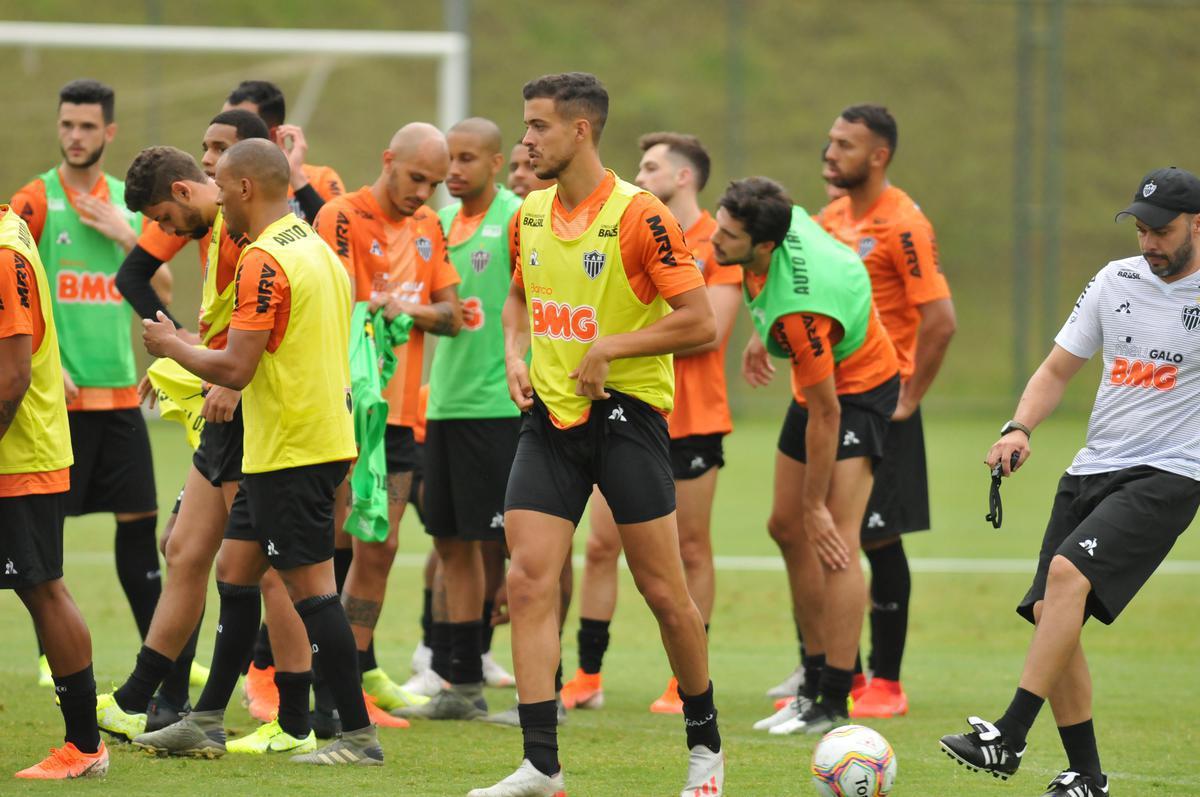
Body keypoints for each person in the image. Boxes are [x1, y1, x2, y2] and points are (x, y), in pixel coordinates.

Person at [469, 72, 723, 797]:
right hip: (548, 419)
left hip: (626, 417)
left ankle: (705, 751)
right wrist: (514, 354)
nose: (525, 141)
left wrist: (610, 346)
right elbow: (518, 296)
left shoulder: (640, 216)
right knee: (526, 579)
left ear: (580, 130)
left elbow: (699, 321)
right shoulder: (530, 214)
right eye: (525, 126)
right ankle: (540, 765)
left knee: (664, 590)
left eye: (537, 127)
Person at [940, 167, 1200, 797]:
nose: (1148, 243)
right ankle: (1086, 775)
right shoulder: (1116, 280)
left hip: (1170, 470)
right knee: (1050, 613)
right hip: (1092, 467)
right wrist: (1018, 428)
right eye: (1141, 229)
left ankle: (1009, 734)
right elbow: (1058, 369)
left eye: (1161, 231)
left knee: (1065, 578)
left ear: (1198, 224)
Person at [136, 138, 381, 765]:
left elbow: (237, 368)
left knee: (312, 588)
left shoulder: (263, 259)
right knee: (235, 571)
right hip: (309, 436)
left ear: (245, 187)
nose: (215, 191)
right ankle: (206, 720)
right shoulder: (316, 250)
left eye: (219, 178)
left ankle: (356, 736)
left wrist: (171, 345)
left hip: (292, 445)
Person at [561, 132, 742, 715]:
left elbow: (706, 330)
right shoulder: (627, 227)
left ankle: (682, 679)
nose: (638, 175)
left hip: (692, 417)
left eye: (651, 166)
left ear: (683, 177)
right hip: (625, 411)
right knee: (600, 544)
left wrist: (616, 343)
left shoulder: (717, 242)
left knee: (689, 548)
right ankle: (587, 675)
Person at [713, 178, 899, 737]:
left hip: (856, 392)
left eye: (728, 234)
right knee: (785, 526)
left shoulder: (799, 312)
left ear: (764, 246)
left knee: (834, 541)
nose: (716, 238)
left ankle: (836, 698)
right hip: (819, 379)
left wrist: (816, 502)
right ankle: (812, 678)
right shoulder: (781, 219)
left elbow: (827, 413)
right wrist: (758, 332)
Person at [10, 79, 160, 681]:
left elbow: (162, 294)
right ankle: (54, 655)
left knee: (141, 522)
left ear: (110, 133)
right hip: (60, 399)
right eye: (67, 125)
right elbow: (12, 287)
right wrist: (54, 365)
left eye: (88, 127)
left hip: (121, 394)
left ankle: (163, 653)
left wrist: (126, 236)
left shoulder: (127, 202)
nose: (75, 137)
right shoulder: (34, 202)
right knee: (50, 531)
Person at [313, 122, 462, 717]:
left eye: (434, 183)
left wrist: (407, 308)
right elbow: (329, 302)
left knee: (379, 545)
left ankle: (356, 675)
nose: (423, 192)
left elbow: (451, 315)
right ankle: (288, 674)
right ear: (388, 160)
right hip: (341, 408)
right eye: (415, 177)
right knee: (322, 543)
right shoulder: (341, 217)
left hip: (397, 418)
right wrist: (373, 305)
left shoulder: (429, 228)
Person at [811, 105, 956, 718]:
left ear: (879, 156)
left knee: (877, 535)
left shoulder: (904, 224)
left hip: (880, 401)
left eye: (845, 144)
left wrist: (911, 394)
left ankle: (887, 683)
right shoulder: (829, 218)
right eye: (830, 140)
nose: (830, 152)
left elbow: (940, 320)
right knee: (824, 535)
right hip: (829, 397)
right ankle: (841, 671)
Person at [397, 117, 522, 722]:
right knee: (449, 543)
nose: (455, 170)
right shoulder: (437, 226)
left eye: (468, 158)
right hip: (441, 405)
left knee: (516, 548)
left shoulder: (519, 218)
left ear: (496, 163)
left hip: (500, 407)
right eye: (451, 159)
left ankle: (540, 683)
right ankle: (463, 682)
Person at [0, 203, 108, 779]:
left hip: (20, 455)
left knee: (43, 590)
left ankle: (85, 746)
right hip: (19, 450)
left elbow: (13, 373)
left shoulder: (4, 251)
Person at [223, 79, 343, 223]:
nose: (223, 133)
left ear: (272, 134)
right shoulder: (213, 185)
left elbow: (334, 232)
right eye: (222, 121)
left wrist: (295, 175)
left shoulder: (320, 179)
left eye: (239, 127)